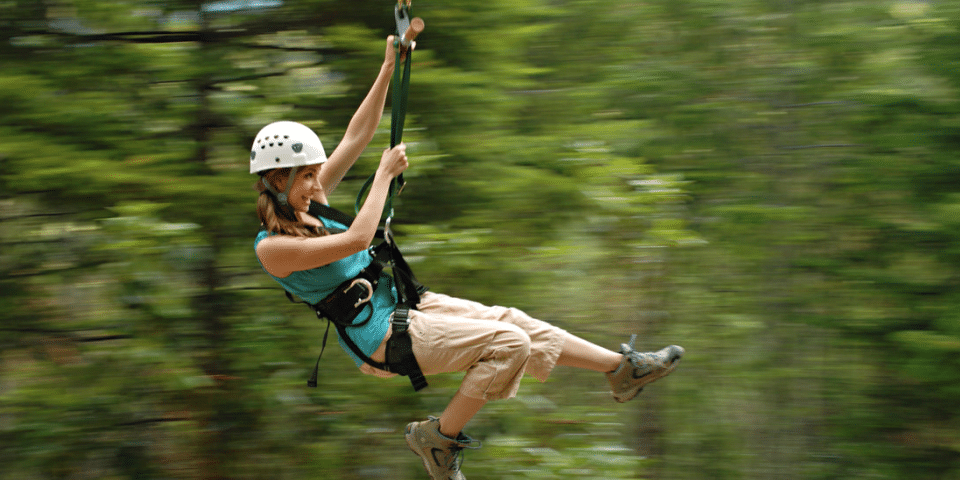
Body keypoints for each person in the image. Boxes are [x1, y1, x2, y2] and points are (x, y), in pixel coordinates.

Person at [251, 36, 684, 480]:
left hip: (406, 305)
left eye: (316, 173)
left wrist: (389, 69)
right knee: (508, 345)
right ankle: (437, 439)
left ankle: (622, 370)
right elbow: (360, 238)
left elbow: (358, 135)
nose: (317, 185)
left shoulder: (309, 200)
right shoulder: (273, 249)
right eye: (306, 176)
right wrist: (383, 175)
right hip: (380, 338)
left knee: (514, 322)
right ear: (276, 182)